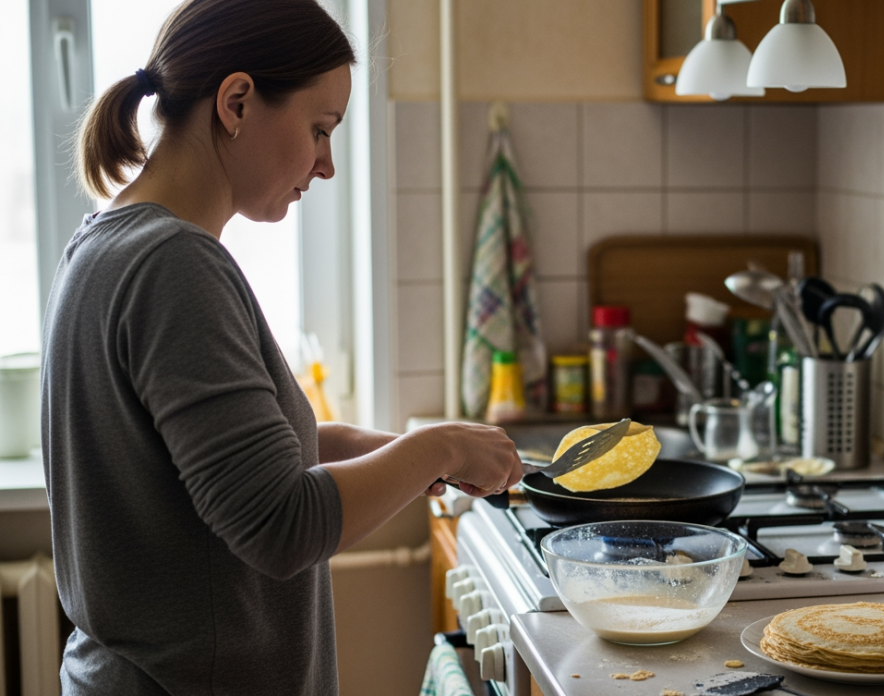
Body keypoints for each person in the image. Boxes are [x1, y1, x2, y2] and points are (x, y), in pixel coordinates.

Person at [41, 0, 523, 693]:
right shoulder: (173, 266)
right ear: (236, 102)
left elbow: (225, 460)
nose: (326, 165)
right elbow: (279, 523)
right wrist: (436, 449)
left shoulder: (106, 243)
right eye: (320, 129)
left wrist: (405, 452)